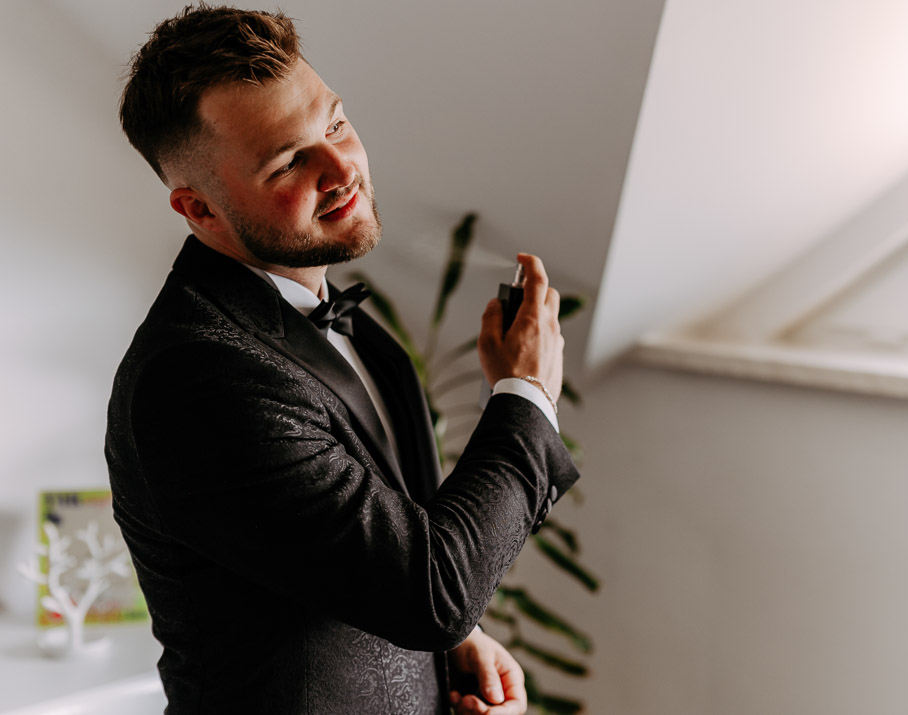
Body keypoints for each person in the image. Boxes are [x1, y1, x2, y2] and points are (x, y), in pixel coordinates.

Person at [104, 4, 580, 713]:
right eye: (289, 161)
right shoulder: (196, 378)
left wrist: (458, 645)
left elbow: (381, 551)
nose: (342, 168)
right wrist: (526, 390)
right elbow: (430, 593)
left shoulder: (356, 328)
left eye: (333, 125)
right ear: (199, 210)